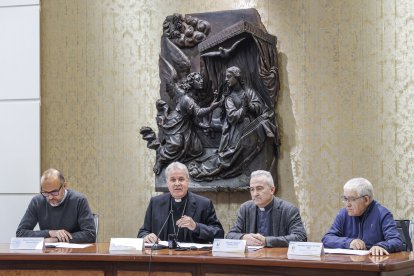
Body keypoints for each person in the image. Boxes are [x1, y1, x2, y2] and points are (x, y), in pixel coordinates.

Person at [189, 66, 275, 181]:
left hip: (251, 127)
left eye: (229, 77)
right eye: (226, 77)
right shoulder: (229, 98)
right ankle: (210, 168)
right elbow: (233, 117)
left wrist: (249, 106)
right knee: (234, 151)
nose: (226, 79)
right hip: (235, 130)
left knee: (253, 142)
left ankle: (250, 170)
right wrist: (244, 108)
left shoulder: (249, 92)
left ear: (237, 77)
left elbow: (259, 107)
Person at [138, 162, 224, 243]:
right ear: (167, 183)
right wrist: (146, 236)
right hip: (162, 256)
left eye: (181, 179)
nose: (177, 183)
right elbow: (143, 232)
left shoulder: (204, 204)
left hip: (192, 257)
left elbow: (219, 234)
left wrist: (196, 227)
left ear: (188, 181)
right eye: (173, 180)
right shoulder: (155, 203)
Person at [322, 178, 402, 255]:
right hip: (350, 263)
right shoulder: (344, 213)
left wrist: (380, 246)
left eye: (352, 199)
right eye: (345, 199)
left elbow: (396, 241)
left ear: (366, 200)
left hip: (373, 264)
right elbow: (327, 239)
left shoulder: (382, 214)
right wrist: (349, 242)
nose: (347, 204)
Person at [226, 170, 307, 247]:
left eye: (259, 188)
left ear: (272, 190)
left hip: (277, 258)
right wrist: (243, 238)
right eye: (252, 189)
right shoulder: (245, 208)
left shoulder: (289, 210)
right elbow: (230, 235)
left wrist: (266, 241)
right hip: (251, 259)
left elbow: (301, 237)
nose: (255, 194)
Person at [16, 168, 96, 243]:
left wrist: (57, 239)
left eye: (54, 192)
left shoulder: (79, 200)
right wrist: (50, 233)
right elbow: (20, 233)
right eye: (46, 193)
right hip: (48, 254)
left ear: (64, 186)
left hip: (74, 254)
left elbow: (90, 234)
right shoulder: (37, 201)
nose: (50, 197)